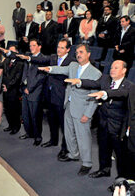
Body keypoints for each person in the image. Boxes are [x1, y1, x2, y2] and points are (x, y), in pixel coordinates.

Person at [38, 44, 102, 176]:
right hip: (69, 106)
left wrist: (88, 114)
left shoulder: (95, 73)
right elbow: (60, 70)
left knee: (83, 137)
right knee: (68, 134)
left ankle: (87, 163)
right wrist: (49, 68)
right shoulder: (73, 66)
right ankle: (73, 154)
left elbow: (96, 97)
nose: (78, 54)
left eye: (81, 52)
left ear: (88, 54)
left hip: (82, 110)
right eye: (77, 52)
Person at [64, 60, 132, 180]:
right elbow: (93, 83)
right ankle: (104, 170)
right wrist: (79, 81)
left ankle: (121, 180)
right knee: (103, 149)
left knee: (121, 155)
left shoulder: (130, 86)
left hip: (118, 126)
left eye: (116, 68)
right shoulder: (105, 79)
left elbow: (121, 93)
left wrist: (105, 93)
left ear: (124, 70)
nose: (112, 70)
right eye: (111, 67)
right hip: (103, 122)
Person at [17, 38, 75, 157]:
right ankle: (53, 141)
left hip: (62, 96)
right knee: (52, 120)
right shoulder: (53, 57)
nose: (59, 49)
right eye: (58, 47)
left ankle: (65, 148)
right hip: (49, 95)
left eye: (62, 48)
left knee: (64, 125)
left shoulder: (71, 61)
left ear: (68, 49)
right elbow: (41, 59)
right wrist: (28, 58)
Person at [19, 39, 46, 144]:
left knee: (35, 116)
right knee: (25, 115)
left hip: (35, 91)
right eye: (30, 45)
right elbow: (24, 72)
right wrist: (23, 85)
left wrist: (29, 88)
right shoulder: (27, 57)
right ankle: (28, 132)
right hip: (25, 89)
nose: (31, 48)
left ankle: (37, 137)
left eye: (34, 45)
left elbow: (40, 77)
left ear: (39, 46)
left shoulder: (43, 59)